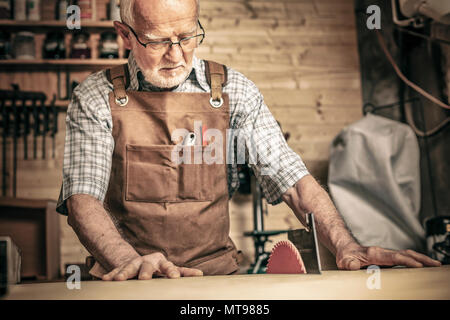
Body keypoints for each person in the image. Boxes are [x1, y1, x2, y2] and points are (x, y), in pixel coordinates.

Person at [56, 0, 441, 281]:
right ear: (125, 35)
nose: (176, 55)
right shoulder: (97, 96)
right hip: (127, 280)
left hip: (215, 281)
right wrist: (127, 261)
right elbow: (82, 199)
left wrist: (346, 245)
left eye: (187, 36)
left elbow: (292, 181)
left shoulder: (233, 91)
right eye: (157, 41)